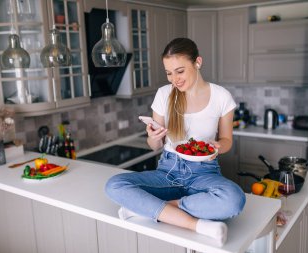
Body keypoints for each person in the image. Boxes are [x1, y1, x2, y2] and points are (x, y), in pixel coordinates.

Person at [105, 38, 246, 246]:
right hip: (167, 172)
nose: (175, 79)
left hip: (204, 173)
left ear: (197, 62)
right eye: (169, 73)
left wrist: (218, 146)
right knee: (114, 185)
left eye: (180, 71)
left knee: (234, 199)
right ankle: (196, 224)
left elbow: (226, 141)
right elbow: (155, 147)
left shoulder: (221, 97)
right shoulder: (164, 94)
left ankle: (149, 210)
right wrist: (154, 138)